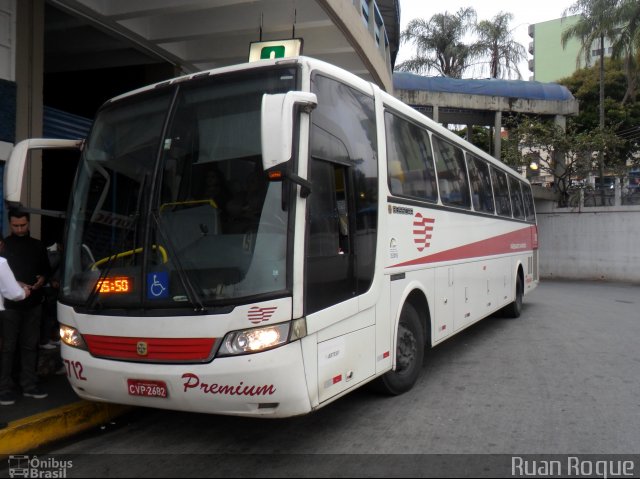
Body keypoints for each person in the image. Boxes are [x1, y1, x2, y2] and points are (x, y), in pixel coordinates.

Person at [0, 209, 51, 405]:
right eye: (16, 226)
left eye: (23, 225)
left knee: (30, 346)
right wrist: (17, 283)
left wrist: (42, 279)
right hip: (10, 306)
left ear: (28, 223)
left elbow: (46, 269)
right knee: (8, 348)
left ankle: (29, 384)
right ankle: (5, 388)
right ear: (10, 224)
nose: (20, 229)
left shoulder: (37, 245)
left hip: (33, 303)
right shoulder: (5, 246)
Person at [0, 248, 31, 406]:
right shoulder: (1, 262)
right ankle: (3, 390)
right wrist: (24, 291)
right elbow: (14, 294)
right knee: (6, 350)